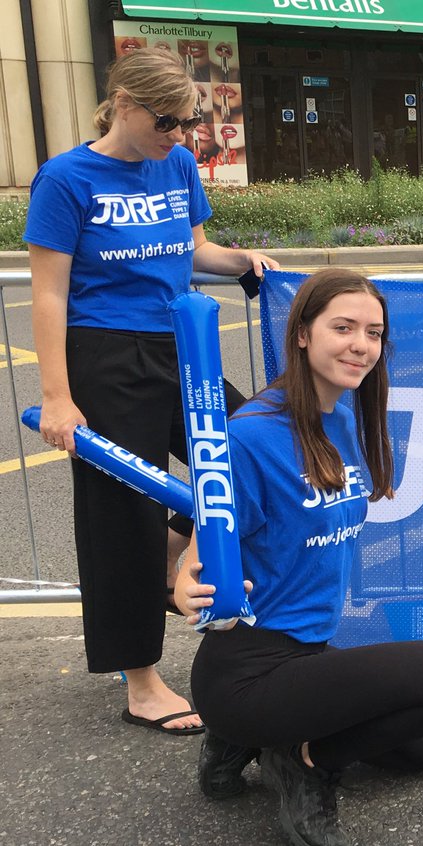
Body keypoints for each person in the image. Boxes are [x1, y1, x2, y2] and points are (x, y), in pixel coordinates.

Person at [175, 268, 423, 846]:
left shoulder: (342, 414)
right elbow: (198, 535)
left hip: (308, 655)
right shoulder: (248, 437)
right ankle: (298, 758)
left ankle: (259, 742)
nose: (360, 345)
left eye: (373, 332)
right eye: (342, 327)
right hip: (249, 667)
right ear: (302, 334)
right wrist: (186, 580)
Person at [26, 48, 277, 736]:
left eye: (191, 123)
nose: (181, 135)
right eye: (168, 121)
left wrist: (242, 261)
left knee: (255, 450)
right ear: (126, 105)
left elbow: (193, 248)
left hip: (181, 342)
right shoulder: (66, 178)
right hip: (105, 352)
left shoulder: (173, 164)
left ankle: (172, 557)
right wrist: (57, 396)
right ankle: (139, 679)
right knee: (120, 514)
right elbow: (47, 294)